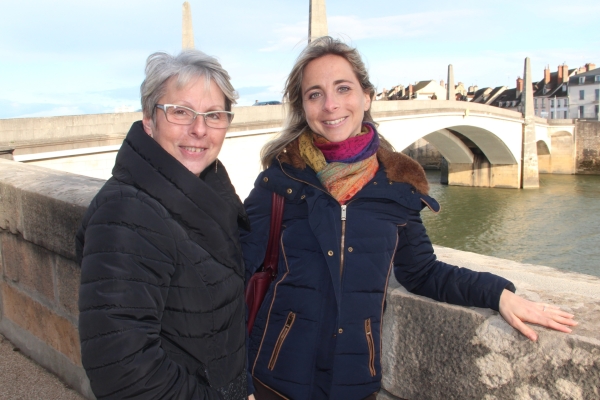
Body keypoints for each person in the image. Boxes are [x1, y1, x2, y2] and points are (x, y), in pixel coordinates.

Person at [241, 37, 577, 400]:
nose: (331, 105)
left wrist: (498, 294)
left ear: (367, 97)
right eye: (315, 94)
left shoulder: (397, 185)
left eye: (343, 88)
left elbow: (422, 272)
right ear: (302, 106)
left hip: (355, 382)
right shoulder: (279, 182)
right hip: (275, 378)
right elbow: (234, 269)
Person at [77, 50, 249, 399]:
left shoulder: (210, 193)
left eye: (214, 115)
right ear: (149, 120)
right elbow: (123, 372)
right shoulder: (127, 212)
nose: (199, 129)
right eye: (181, 112)